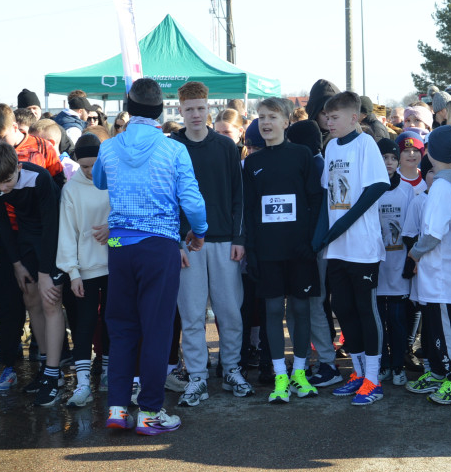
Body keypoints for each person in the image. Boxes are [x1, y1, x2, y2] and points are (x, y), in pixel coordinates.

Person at [93, 77, 207, 435]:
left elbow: (99, 181)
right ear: (162, 110)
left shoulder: (109, 148)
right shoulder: (173, 150)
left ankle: (116, 408)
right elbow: (192, 202)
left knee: (122, 328)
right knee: (156, 330)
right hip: (158, 245)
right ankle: (150, 411)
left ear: (127, 109)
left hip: (119, 247)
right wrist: (199, 232)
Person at [171, 81, 250, 406]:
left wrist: (239, 238)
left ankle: (231, 369)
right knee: (191, 316)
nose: (195, 114)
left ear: (209, 109)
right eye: (189, 109)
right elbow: (167, 199)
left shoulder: (225, 147)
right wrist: (175, 241)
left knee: (229, 312)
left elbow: (238, 196)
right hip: (187, 245)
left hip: (223, 242)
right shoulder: (172, 147)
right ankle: (198, 377)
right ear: (180, 110)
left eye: (200, 108)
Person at [243, 97, 323, 403]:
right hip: (268, 252)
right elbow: (250, 212)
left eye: (272, 117)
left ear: (286, 122)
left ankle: (299, 373)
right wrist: (252, 251)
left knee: (301, 310)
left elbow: (316, 201)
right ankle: (280, 377)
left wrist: (311, 242)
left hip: (300, 250)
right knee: (273, 311)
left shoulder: (302, 155)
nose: (265, 122)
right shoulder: (252, 162)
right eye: (261, 117)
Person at [314, 91, 391, 405]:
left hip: (362, 247)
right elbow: (326, 195)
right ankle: (357, 372)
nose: (329, 123)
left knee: (365, 310)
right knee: (342, 309)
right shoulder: (331, 147)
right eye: (327, 118)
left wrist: (342, 225)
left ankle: (374, 378)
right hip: (337, 249)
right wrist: (319, 237)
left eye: (334, 118)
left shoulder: (366, 144)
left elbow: (377, 187)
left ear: (353, 118)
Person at [0, 142, 67, 407]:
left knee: (50, 298)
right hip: (25, 237)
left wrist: (45, 272)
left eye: (7, 181)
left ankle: (54, 374)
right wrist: (17, 263)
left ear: (18, 167)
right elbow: (3, 223)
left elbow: (52, 225)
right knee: (31, 299)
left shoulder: (38, 177)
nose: (3, 189)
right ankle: (45, 365)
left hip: (53, 232)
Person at [408, 126, 451, 405]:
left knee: (447, 329)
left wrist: (414, 253)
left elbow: (434, 233)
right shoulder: (446, 184)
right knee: (435, 327)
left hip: (445, 272)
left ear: (430, 152)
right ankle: (438, 371)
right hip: (438, 272)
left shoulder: (443, 187)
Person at [286, 120, 341, 388]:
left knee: (312, 303)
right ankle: (303, 360)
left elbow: (321, 213)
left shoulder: (317, 165)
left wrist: (313, 243)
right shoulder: (314, 161)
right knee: (300, 305)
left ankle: (327, 362)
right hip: (306, 245)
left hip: (314, 247)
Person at [58, 133, 111, 406]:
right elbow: (67, 233)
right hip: (86, 269)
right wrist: (73, 272)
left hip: (115, 264)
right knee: (84, 323)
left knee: (114, 320)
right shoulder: (71, 190)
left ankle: (107, 373)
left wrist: (111, 234)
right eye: (85, 166)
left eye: (95, 165)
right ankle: (82, 383)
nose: (90, 171)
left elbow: (124, 227)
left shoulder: (114, 180)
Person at [374, 137, 413, 386]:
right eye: (384, 158)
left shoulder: (407, 190)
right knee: (379, 320)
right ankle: (383, 364)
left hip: (399, 265)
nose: (388, 163)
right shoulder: (370, 189)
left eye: (392, 158)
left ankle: (398, 365)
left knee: (398, 320)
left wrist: (411, 262)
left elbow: (411, 229)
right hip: (376, 266)